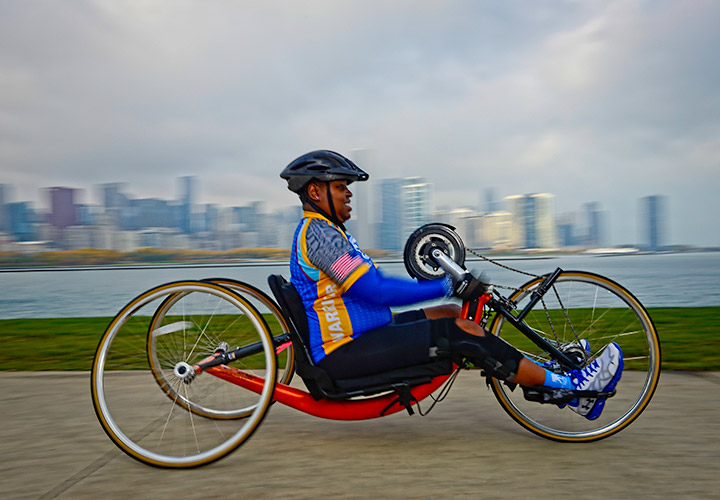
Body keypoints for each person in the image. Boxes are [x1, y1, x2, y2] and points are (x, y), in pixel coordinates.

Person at [281, 150, 623, 420]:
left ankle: (546, 381)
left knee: (450, 313)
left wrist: (445, 292)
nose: (348, 194)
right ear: (315, 190)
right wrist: (447, 285)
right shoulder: (320, 236)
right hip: (344, 353)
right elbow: (377, 291)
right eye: (341, 187)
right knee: (459, 331)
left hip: (364, 334)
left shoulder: (330, 233)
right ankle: (572, 386)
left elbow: (371, 290)